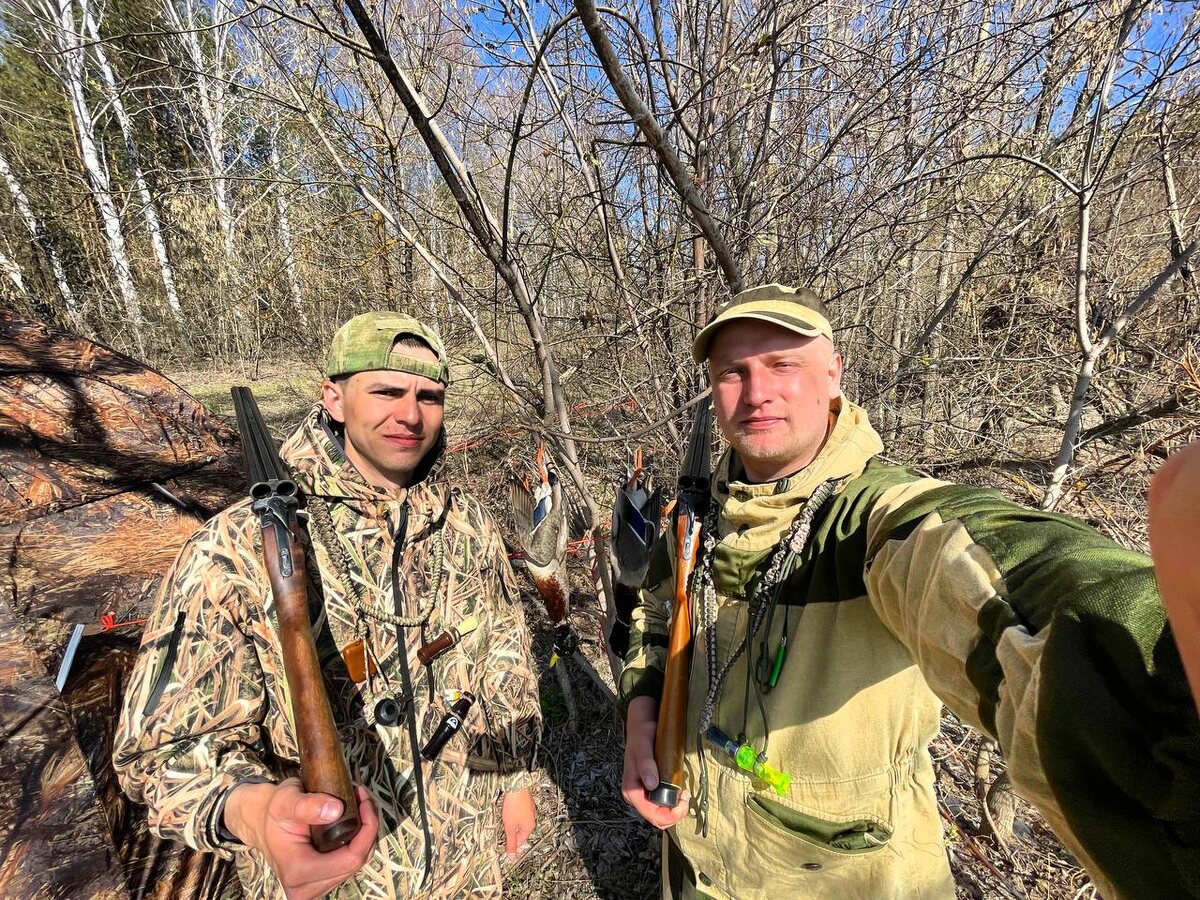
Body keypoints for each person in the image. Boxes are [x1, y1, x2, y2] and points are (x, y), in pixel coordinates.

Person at [619, 284, 1200, 900]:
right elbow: (655, 614)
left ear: (833, 374)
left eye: (782, 364)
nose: (757, 391)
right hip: (695, 861)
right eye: (733, 372)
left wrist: (1146, 672)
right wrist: (641, 713)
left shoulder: (878, 521)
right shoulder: (700, 516)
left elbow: (1000, 578)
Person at [114, 312, 542, 900]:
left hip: (466, 863)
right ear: (334, 399)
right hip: (338, 877)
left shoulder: (464, 522)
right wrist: (257, 812)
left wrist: (513, 776)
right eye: (387, 391)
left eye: (429, 396)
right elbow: (161, 755)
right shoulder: (238, 548)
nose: (411, 415)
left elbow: (505, 652)